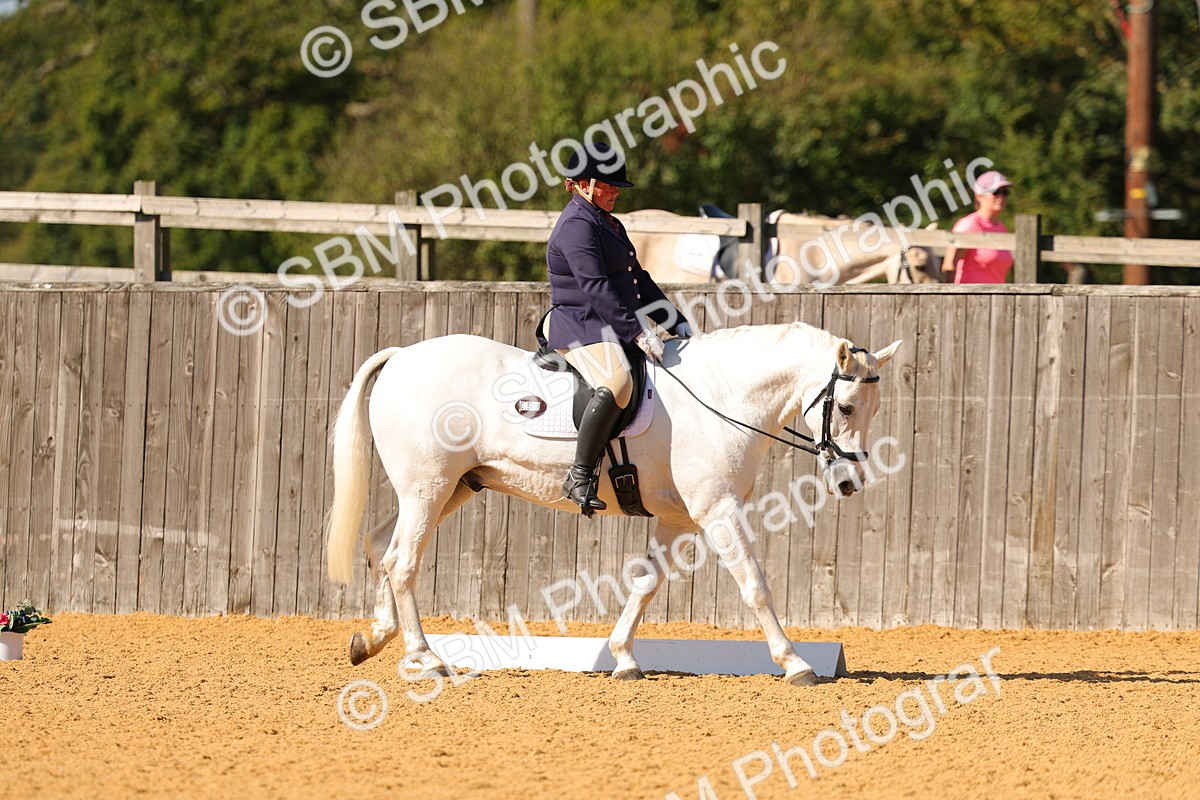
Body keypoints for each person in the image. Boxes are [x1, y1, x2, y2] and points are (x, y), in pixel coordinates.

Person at [544, 143, 691, 514]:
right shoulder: (577, 226)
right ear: (584, 184)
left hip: (607, 322)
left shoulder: (607, 222)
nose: (614, 193)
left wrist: (676, 321)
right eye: (609, 186)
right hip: (580, 325)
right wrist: (638, 333)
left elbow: (636, 280)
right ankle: (578, 475)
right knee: (618, 382)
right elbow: (596, 288)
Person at [942, 171, 1015, 284]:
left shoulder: (1002, 228)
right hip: (969, 298)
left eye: (1005, 192)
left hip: (996, 298)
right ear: (979, 196)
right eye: (995, 192)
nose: (1001, 196)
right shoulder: (969, 225)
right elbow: (949, 266)